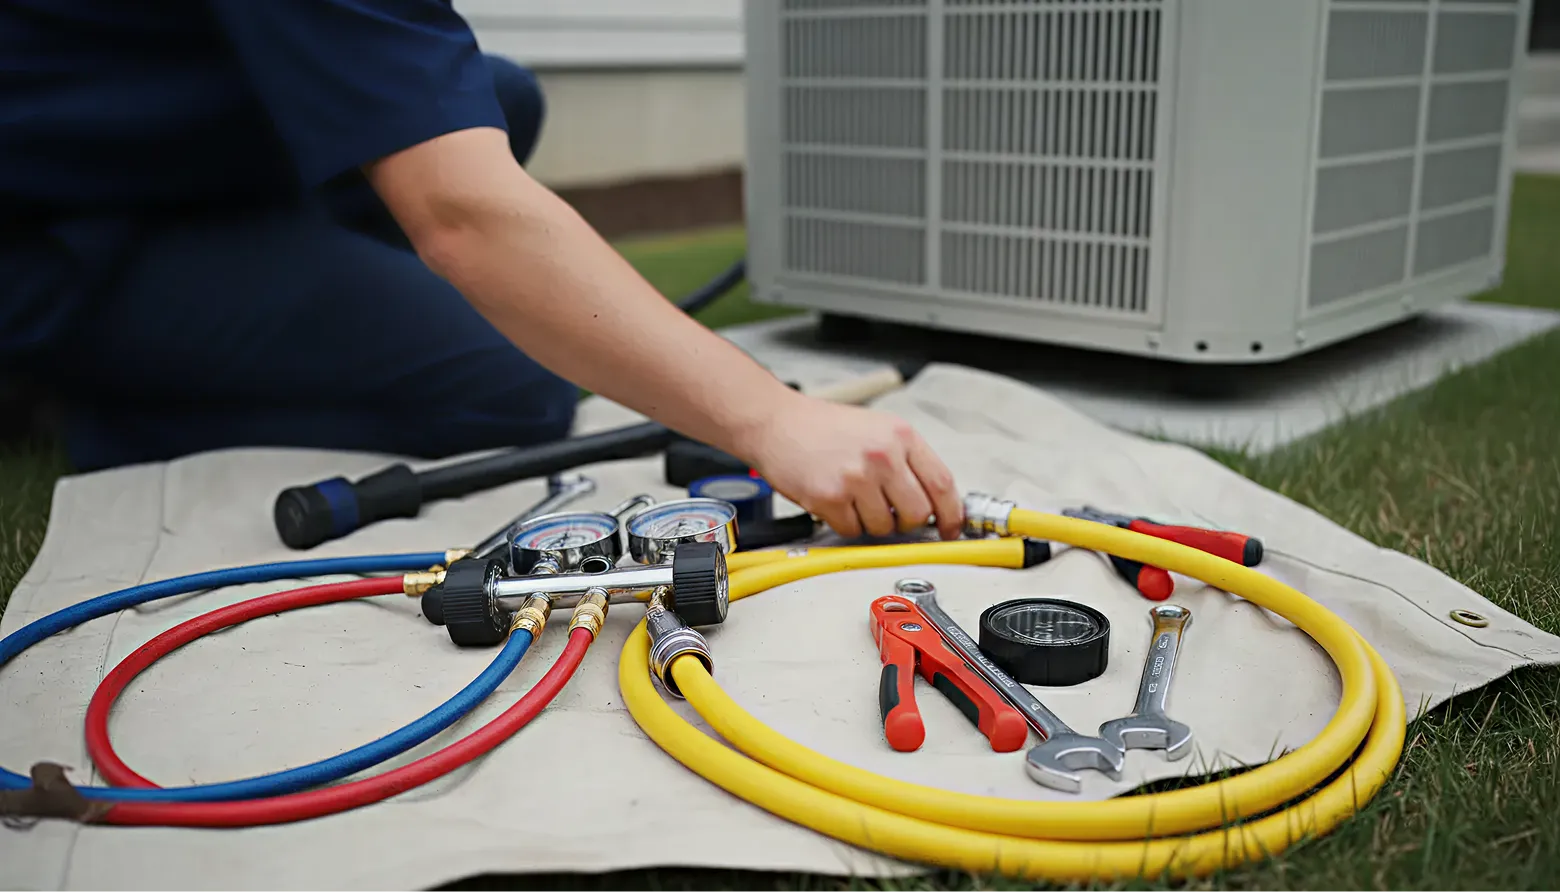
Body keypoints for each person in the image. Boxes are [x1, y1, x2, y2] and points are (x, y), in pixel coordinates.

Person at [0, 0, 965, 540]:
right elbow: (461, 215)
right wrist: (773, 417)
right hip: (48, 232)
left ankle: (285, 301)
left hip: (144, 133)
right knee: (513, 396)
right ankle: (90, 391)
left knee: (503, 99)